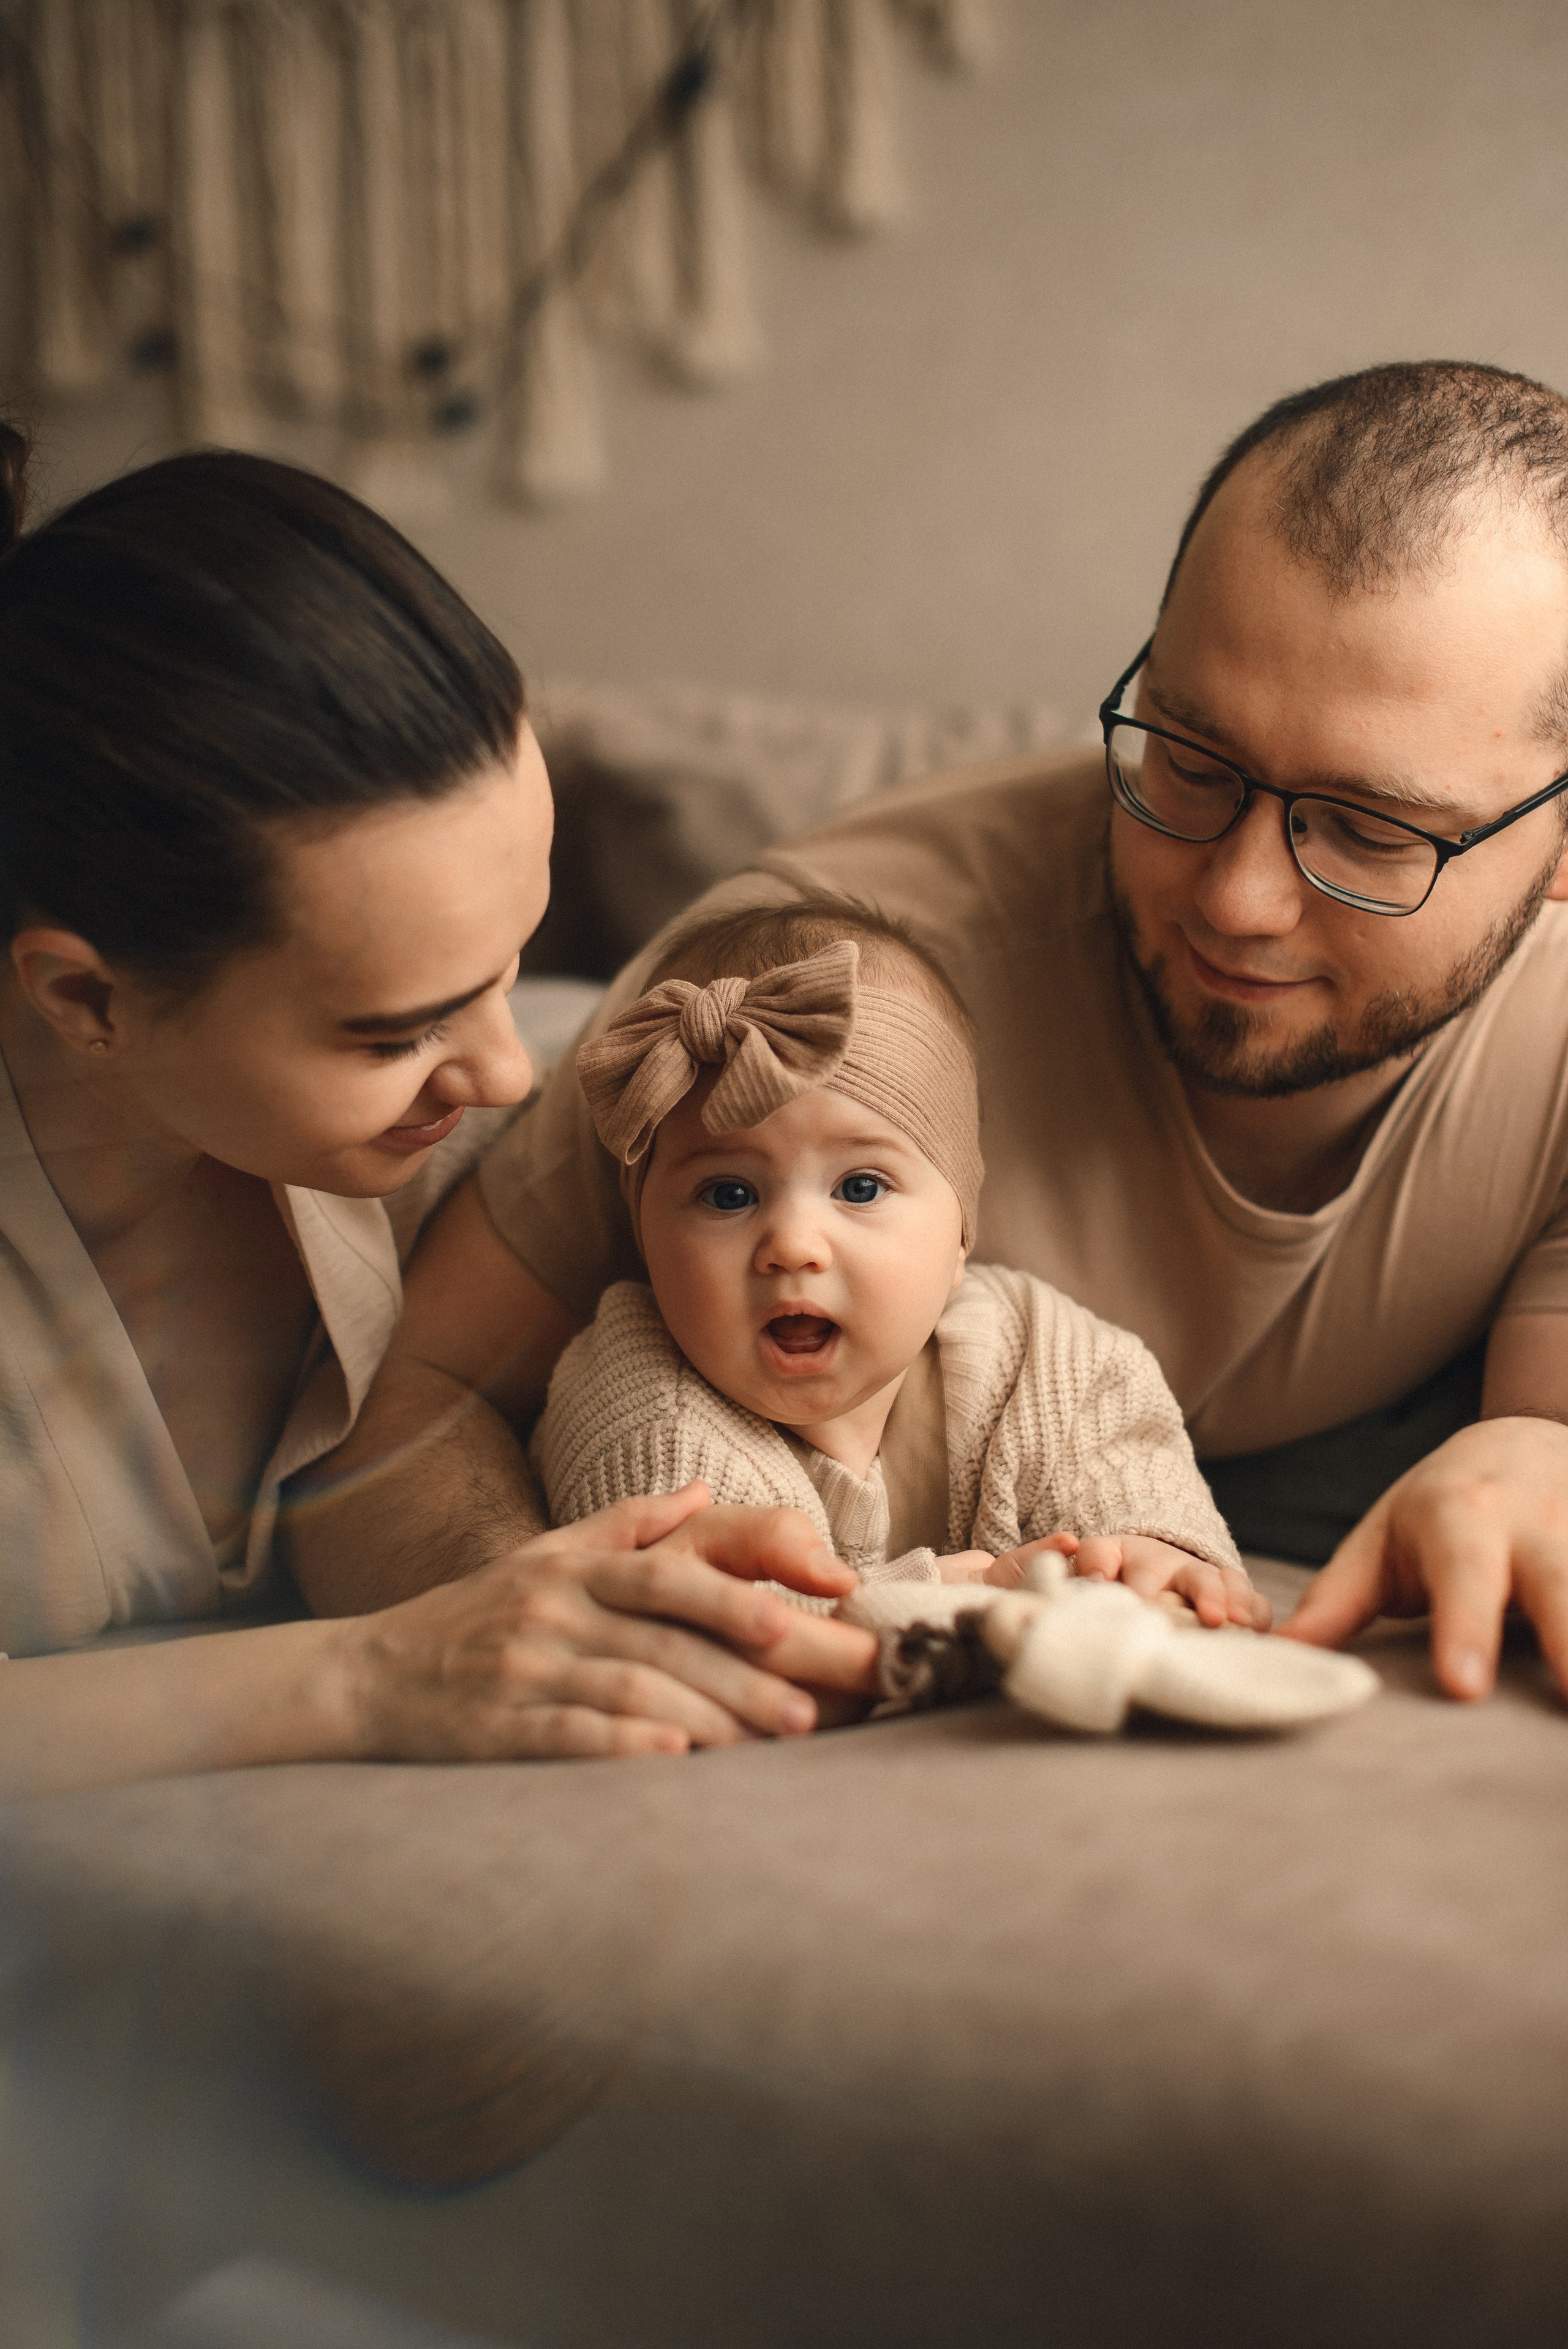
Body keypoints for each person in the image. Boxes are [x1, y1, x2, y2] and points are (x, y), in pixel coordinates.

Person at [300, 360, 1568, 1706]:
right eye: (1187, 761)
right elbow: (399, 1420)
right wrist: (558, 1609)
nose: (1234, 897)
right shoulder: (825, 976)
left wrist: (1532, 1454)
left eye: (1369, 829)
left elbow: (1534, 1441)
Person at [0, 428, 877, 1797]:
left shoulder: (550, 1113)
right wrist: (377, 1669)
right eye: (396, 1030)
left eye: (509, 961)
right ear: (86, 999)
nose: (504, 1075)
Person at [534, 898, 1260, 1629]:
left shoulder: (1036, 1354)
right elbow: (724, 1628)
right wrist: (926, 1599)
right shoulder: (639, 1404)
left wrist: (1148, 1549)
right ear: (645, 1233)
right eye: (728, 1194)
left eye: (860, 1187)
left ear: (960, 1236)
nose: (793, 1245)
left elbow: (1124, 1459)